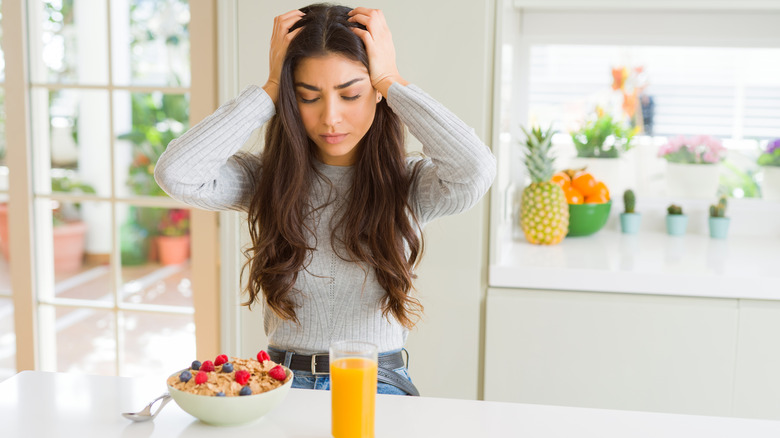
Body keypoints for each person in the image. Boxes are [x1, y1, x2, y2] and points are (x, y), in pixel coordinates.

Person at [154, 3, 496, 396]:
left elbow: (476, 169)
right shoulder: (266, 180)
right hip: (280, 384)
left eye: (350, 94)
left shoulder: (409, 184)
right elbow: (176, 174)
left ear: (377, 95)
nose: (330, 118)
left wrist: (391, 80)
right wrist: (269, 90)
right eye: (307, 96)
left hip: (376, 383)